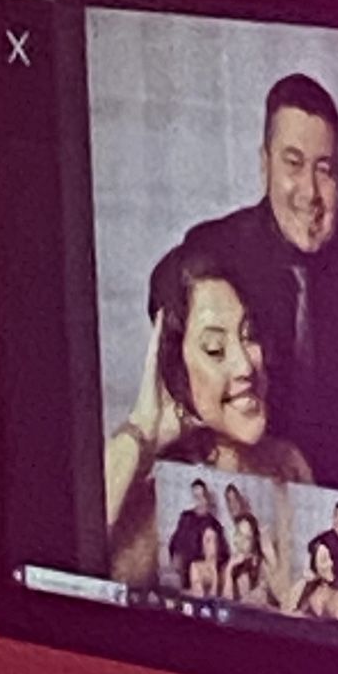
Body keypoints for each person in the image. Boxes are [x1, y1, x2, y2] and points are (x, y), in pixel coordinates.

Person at [149, 74, 338, 492]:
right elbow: (173, 333)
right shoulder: (217, 247)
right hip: (258, 493)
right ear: (264, 164)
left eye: (324, 170)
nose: (310, 192)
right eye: (293, 164)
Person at [106, 250, 311, 585]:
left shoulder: (288, 464)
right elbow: (66, 562)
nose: (245, 366)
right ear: (175, 364)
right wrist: (142, 429)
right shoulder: (154, 487)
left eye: (250, 336)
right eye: (215, 349)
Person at [169, 479, 225, 586]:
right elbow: (175, 541)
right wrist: (175, 555)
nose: (200, 501)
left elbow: (222, 554)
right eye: (196, 497)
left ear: (207, 497)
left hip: (204, 573)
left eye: (202, 496)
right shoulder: (186, 518)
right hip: (184, 571)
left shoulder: (215, 525)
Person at [285, 537, 338, 623]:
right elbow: (291, 616)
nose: (330, 564)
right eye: (323, 560)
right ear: (315, 564)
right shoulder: (306, 588)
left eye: (333, 558)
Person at [225, 512, 279, 608]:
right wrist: (229, 570)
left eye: (247, 538)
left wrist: (270, 555)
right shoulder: (229, 565)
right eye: (239, 534)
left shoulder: (261, 565)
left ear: (254, 542)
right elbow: (226, 604)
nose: (241, 541)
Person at [187, 522, 225, 599]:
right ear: (201, 544)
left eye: (215, 540)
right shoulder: (196, 567)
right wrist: (214, 575)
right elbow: (204, 599)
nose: (213, 546)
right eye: (208, 541)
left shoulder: (225, 567)